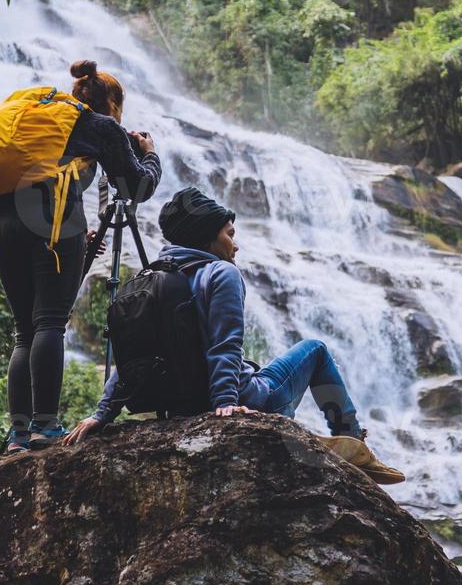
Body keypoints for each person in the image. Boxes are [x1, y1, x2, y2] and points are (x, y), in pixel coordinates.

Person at [63, 187, 404, 485]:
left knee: (268, 367)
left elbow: (133, 353)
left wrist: (103, 412)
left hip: (182, 407)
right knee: (315, 350)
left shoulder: (153, 277)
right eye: (229, 234)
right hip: (250, 399)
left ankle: (343, 442)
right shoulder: (220, 273)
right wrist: (225, 405)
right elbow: (226, 345)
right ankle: (352, 440)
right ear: (207, 237)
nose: (235, 245)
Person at [0, 60, 161, 454]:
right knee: (51, 322)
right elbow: (135, 188)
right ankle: (47, 425)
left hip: (4, 217)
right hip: (53, 215)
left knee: (24, 330)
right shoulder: (99, 126)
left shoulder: (50, 115)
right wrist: (149, 154)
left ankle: (19, 435)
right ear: (111, 101)